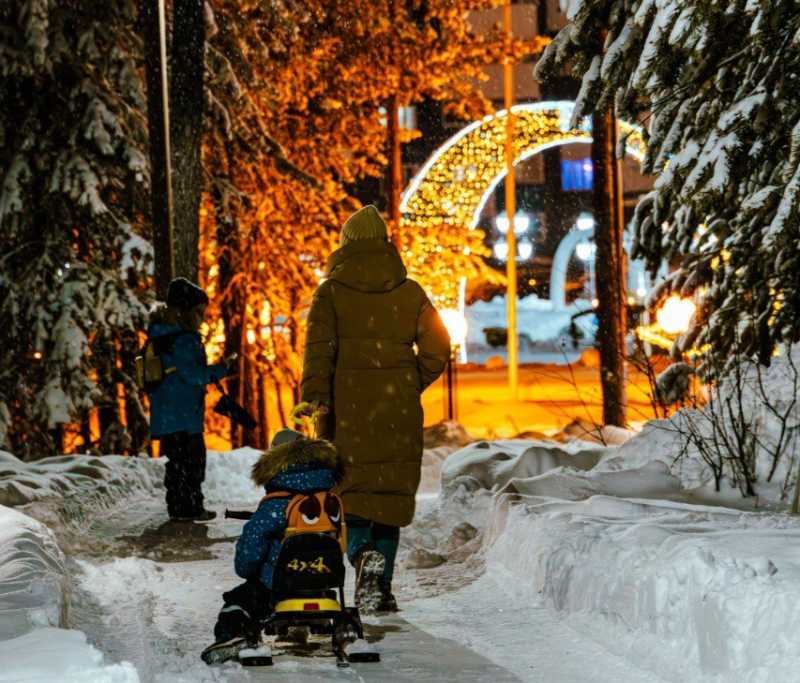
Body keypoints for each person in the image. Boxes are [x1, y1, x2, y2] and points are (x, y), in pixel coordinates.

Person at [300, 205, 451, 613]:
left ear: (347, 245)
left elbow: (319, 352)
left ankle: (362, 555)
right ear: (384, 244)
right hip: (398, 410)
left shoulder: (330, 293)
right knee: (389, 498)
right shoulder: (410, 292)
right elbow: (439, 348)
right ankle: (380, 587)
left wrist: (316, 400)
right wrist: (409, 380)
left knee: (352, 496)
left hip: (348, 410)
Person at [201, 430, 343, 665]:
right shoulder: (328, 499)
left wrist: (248, 570)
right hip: (324, 578)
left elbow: (251, 546)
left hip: (279, 584)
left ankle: (235, 635)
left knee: (237, 601)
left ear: (276, 460)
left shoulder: (277, 502)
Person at [147, 277, 228, 521]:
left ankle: (181, 507)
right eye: (199, 311)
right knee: (190, 464)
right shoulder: (183, 340)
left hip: (169, 414)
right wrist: (220, 369)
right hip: (182, 416)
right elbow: (193, 375)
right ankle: (188, 508)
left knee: (179, 463)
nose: (202, 317)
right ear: (186, 311)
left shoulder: (162, 336)